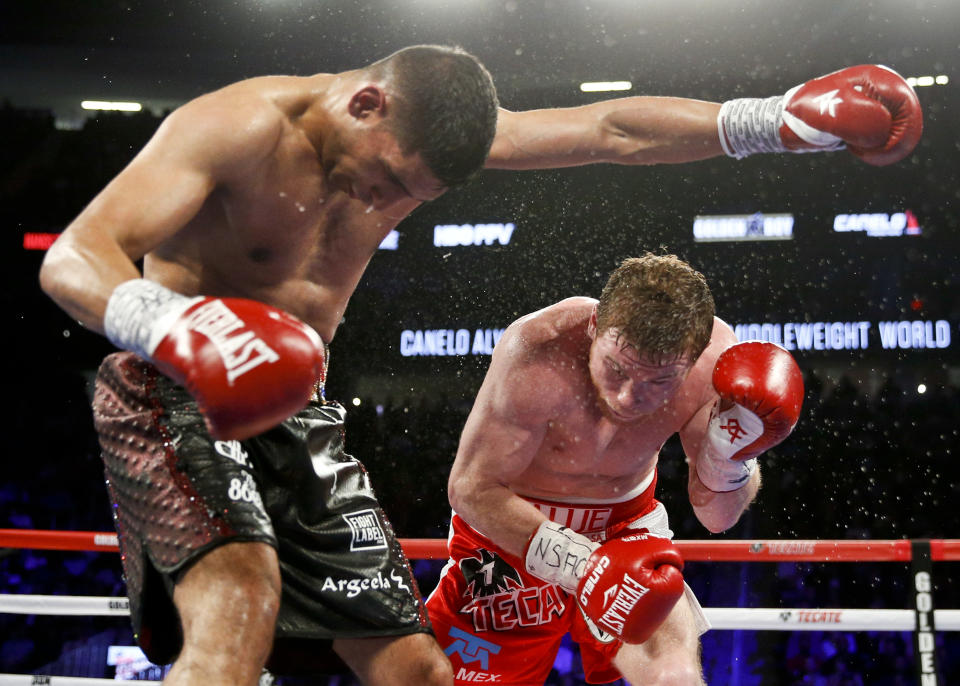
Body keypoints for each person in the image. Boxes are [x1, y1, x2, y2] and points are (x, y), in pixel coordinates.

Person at [37, 40, 919, 686]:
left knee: (418, 671)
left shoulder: (410, 146)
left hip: (298, 408)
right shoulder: (233, 125)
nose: (385, 205)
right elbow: (74, 256)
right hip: (179, 383)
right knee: (239, 611)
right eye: (387, 180)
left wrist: (777, 122)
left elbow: (610, 129)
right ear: (367, 103)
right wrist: (189, 330)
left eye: (412, 197)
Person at [426, 253, 805, 685]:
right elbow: (471, 489)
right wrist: (585, 568)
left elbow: (716, 517)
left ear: (695, 357)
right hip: (511, 533)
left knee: (675, 676)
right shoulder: (537, 349)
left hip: (626, 528)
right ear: (594, 328)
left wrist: (730, 459)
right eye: (616, 368)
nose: (628, 397)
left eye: (659, 382)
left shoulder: (714, 364)